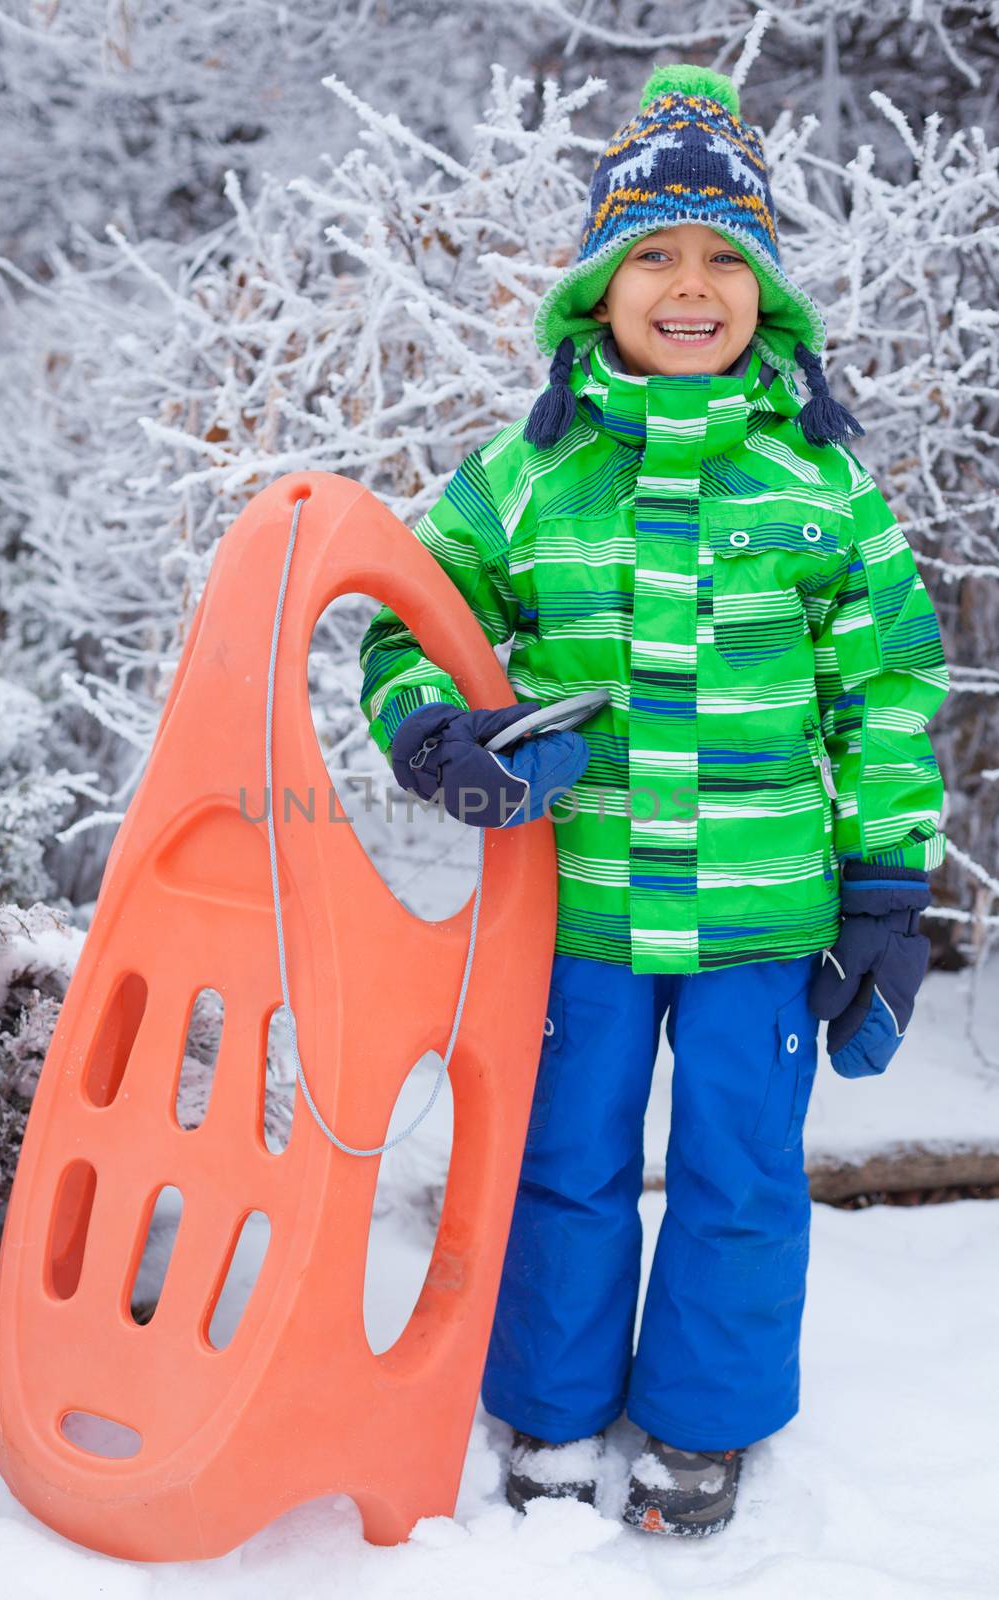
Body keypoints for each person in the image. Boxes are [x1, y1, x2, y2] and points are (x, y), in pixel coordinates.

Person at [357, 62, 949, 1538]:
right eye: (655, 254)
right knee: (565, 1163)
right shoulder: (522, 476)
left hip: (765, 912)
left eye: (723, 256)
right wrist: (438, 733)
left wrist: (886, 885)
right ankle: (551, 1408)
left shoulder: (823, 481)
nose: (691, 284)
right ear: (598, 288)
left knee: (741, 1175)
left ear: (767, 289)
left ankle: (703, 1420)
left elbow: (886, 689)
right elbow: (400, 625)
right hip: (585, 910)